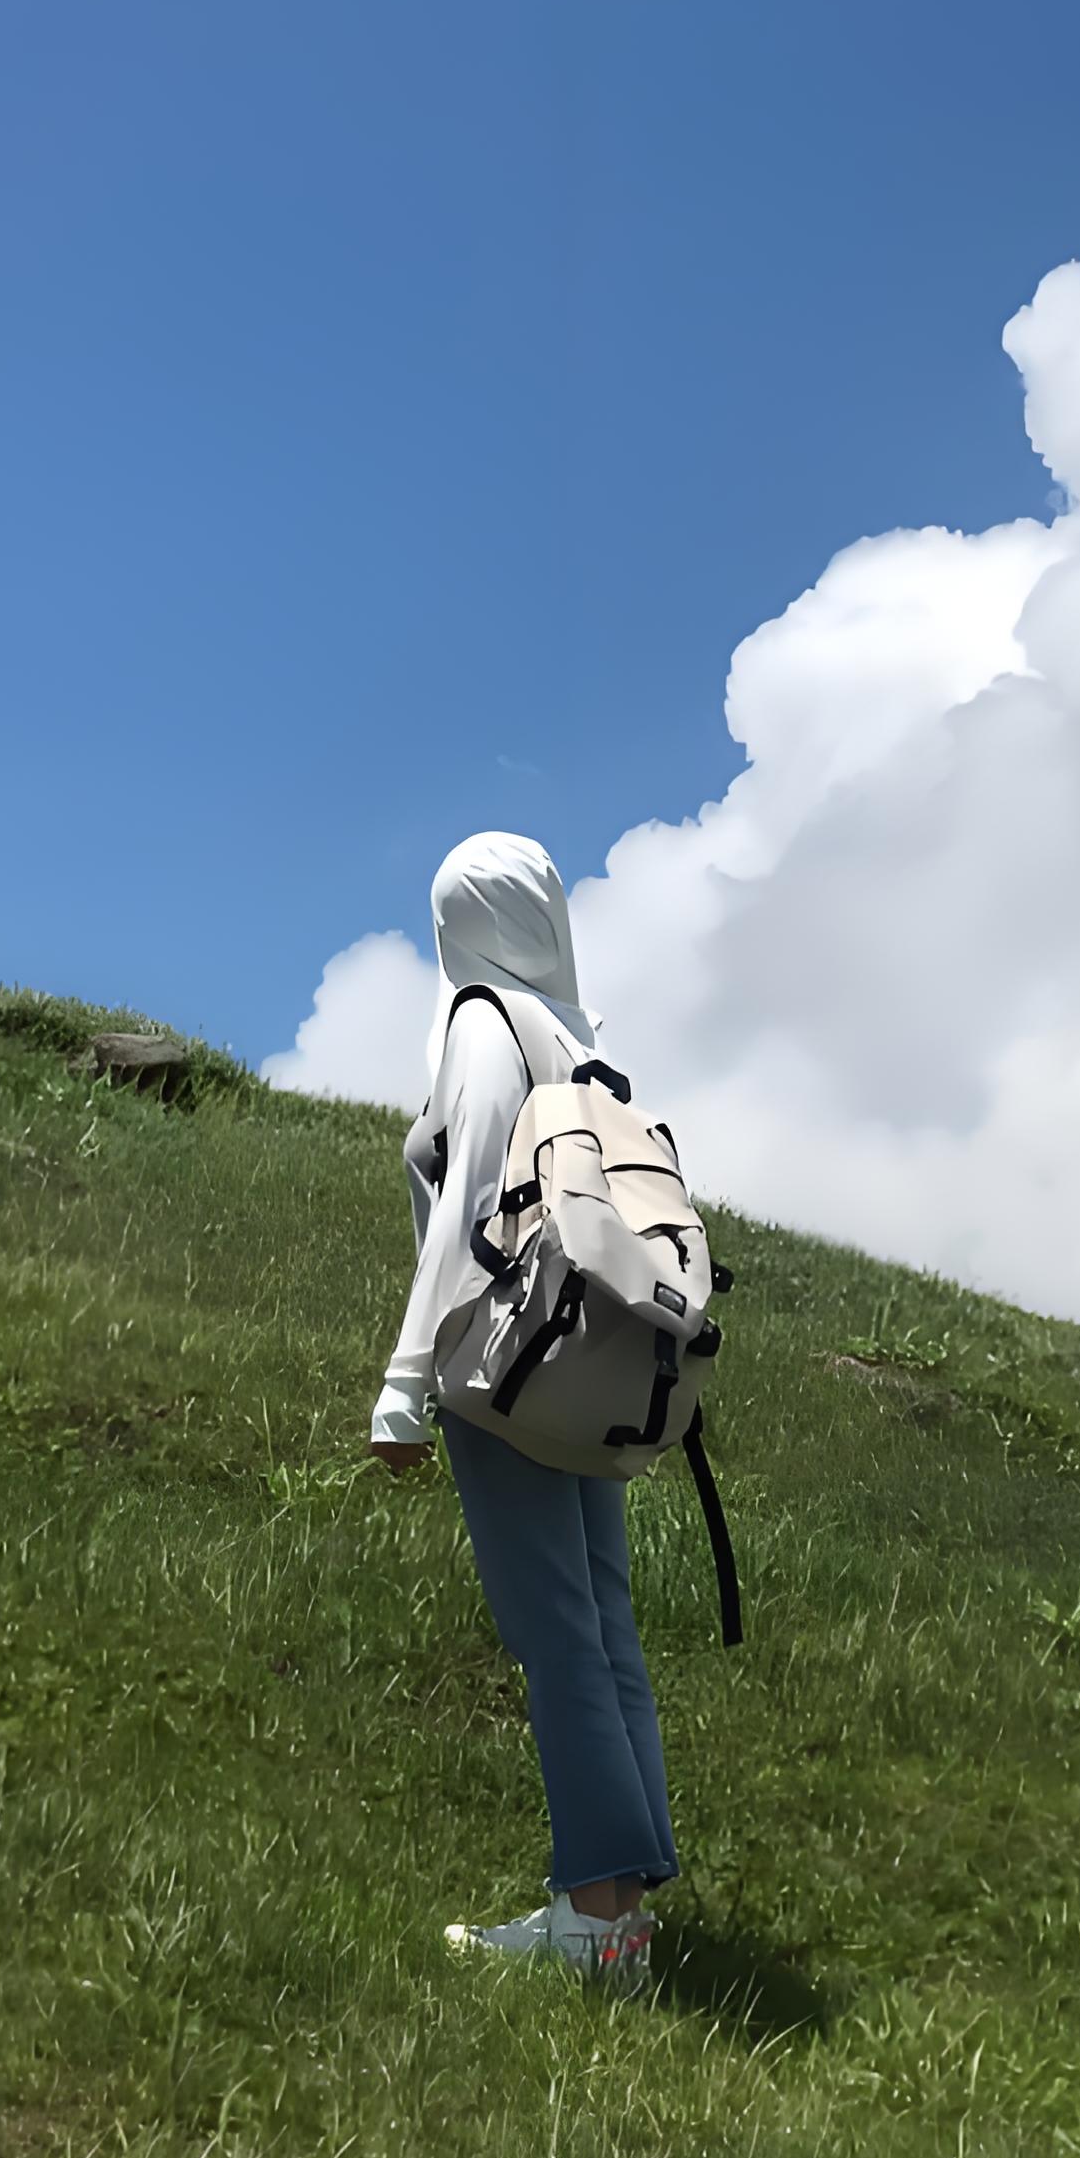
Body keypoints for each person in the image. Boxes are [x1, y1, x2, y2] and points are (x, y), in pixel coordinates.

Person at [369, 833, 676, 1995]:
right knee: (603, 1628)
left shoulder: (484, 1025)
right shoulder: (582, 1042)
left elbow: (465, 1207)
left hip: (503, 1364)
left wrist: (405, 1387)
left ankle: (595, 1926)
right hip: (593, 1360)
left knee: (557, 1637)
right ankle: (622, 1916)